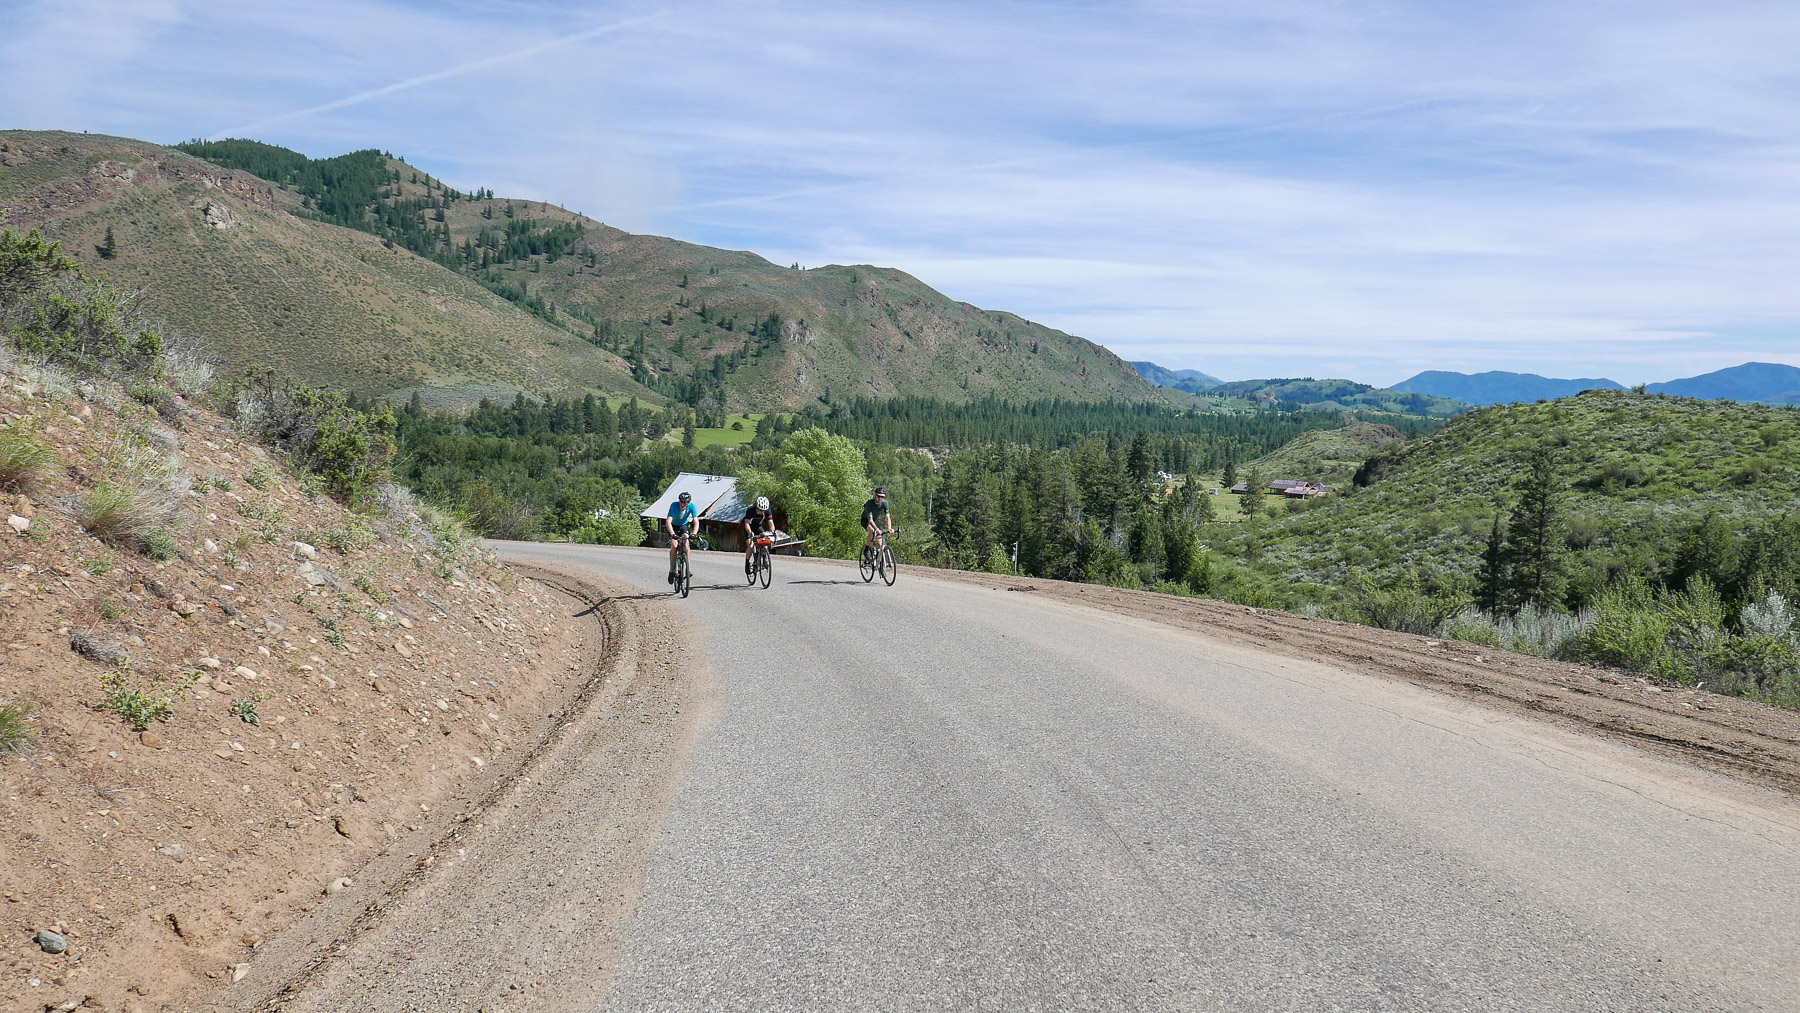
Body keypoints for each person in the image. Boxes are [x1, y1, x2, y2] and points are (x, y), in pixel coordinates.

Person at [666, 490, 697, 584]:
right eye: (681, 502)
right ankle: (672, 570)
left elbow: (696, 521)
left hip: (683, 526)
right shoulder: (674, 505)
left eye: (685, 503)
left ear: (688, 503)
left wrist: (694, 533)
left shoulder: (691, 506)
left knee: (686, 544)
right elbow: (668, 521)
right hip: (673, 527)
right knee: (674, 546)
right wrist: (672, 534)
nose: (682, 504)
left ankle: (688, 569)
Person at [743, 495, 775, 575]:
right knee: (751, 546)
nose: (762, 512)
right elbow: (746, 524)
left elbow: (771, 523)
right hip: (749, 528)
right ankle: (747, 563)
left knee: (765, 540)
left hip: (757, 527)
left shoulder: (767, 511)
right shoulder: (750, 511)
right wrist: (750, 533)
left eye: (764, 510)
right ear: (757, 507)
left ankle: (764, 557)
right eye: (761, 510)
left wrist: (773, 531)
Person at [861, 486, 894, 558]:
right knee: (872, 531)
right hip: (866, 520)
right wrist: (876, 529)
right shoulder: (869, 504)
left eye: (882, 497)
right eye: (879, 496)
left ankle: (878, 557)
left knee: (879, 541)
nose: (880, 498)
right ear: (875, 495)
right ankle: (866, 549)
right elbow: (870, 520)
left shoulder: (885, 503)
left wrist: (889, 528)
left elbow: (887, 517)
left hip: (875, 520)